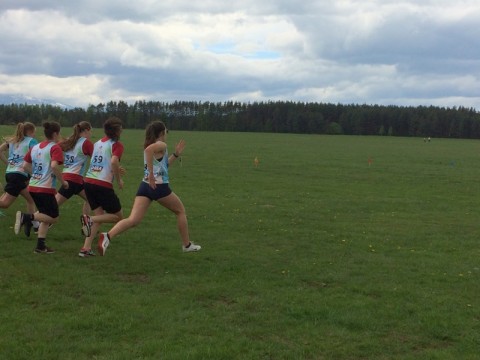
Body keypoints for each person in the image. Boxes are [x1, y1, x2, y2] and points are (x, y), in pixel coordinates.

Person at [96, 120, 201, 256]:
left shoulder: (155, 146)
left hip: (145, 186)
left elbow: (163, 166)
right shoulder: (161, 144)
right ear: (162, 132)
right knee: (180, 211)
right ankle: (187, 245)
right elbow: (148, 151)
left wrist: (175, 155)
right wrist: (151, 174)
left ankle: (107, 236)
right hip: (158, 187)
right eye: (166, 131)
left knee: (133, 220)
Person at [14, 121, 67, 253]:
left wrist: (37, 174)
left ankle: (40, 246)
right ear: (55, 134)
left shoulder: (35, 147)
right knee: (54, 218)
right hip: (45, 188)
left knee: (45, 215)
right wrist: (63, 181)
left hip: (33, 186)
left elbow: (25, 166)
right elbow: (54, 166)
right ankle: (27, 218)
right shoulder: (55, 148)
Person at [78, 117, 124, 257]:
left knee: (100, 216)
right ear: (116, 130)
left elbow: (102, 162)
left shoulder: (97, 143)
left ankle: (85, 248)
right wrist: (119, 179)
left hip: (89, 182)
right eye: (121, 128)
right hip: (102, 184)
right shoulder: (116, 145)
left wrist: (115, 168)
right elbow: (114, 161)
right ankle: (89, 220)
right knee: (118, 217)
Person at [0, 122, 38, 225]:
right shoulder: (31, 141)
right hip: (19, 175)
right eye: (34, 132)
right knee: (5, 204)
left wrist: (8, 163)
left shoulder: (13, 140)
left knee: (31, 199)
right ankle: (31, 222)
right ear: (30, 132)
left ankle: (33, 224)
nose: (34, 135)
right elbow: (37, 154)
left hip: (10, 173)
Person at [56, 121, 94, 215]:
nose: (91, 134)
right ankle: (29, 217)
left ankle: (86, 225)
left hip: (72, 179)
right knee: (52, 206)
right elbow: (97, 159)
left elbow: (54, 148)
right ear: (86, 130)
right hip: (73, 180)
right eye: (91, 131)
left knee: (91, 199)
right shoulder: (86, 143)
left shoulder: (70, 140)